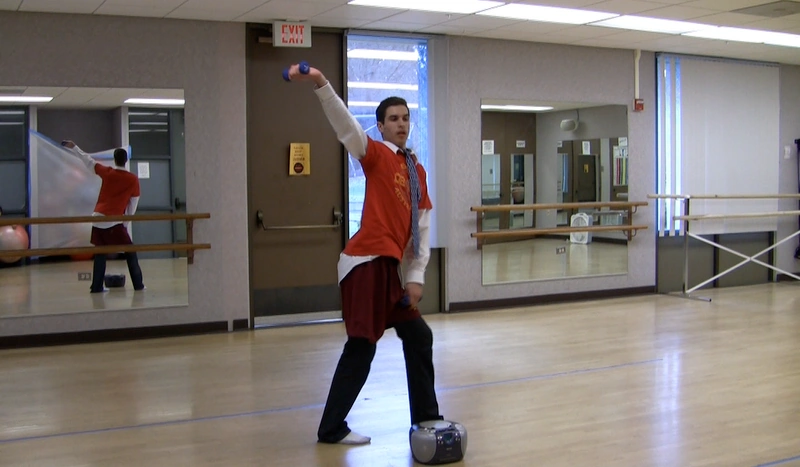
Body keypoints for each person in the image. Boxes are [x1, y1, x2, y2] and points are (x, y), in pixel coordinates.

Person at [285, 63, 444, 446]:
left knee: (419, 336)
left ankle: (427, 420)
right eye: (393, 119)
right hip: (366, 263)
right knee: (361, 345)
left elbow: (421, 229)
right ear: (381, 126)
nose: (401, 124)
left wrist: (416, 277)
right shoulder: (375, 155)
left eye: (406, 118)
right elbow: (346, 127)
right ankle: (331, 429)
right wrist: (321, 83)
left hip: (389, 270)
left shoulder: (417, 171)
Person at [62, 140, 145, 294]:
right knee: (130, 251)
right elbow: (133, 204)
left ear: (115, 160)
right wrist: (125, 223)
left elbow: (89, 161)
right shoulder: (133, 179)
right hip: (113, 220)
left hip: (97, 218)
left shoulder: (108, 172)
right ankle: (138, 285)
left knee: (100, 253)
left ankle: (96, 286)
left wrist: (75, 147)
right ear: (126, 160)